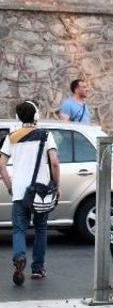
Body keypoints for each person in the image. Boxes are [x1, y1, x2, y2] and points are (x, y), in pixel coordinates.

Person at [0, 101, 60, 285]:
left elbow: (1, 165)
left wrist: (10, 186)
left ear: (18, 118)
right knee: (41, 229)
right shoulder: (46, 135)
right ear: (36, 116)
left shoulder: (11, 138)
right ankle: (37, 269)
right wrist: (56, 186)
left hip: (20, 192)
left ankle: (19, 257)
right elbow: (55, 163)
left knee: (19, 229)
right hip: (41, 191)